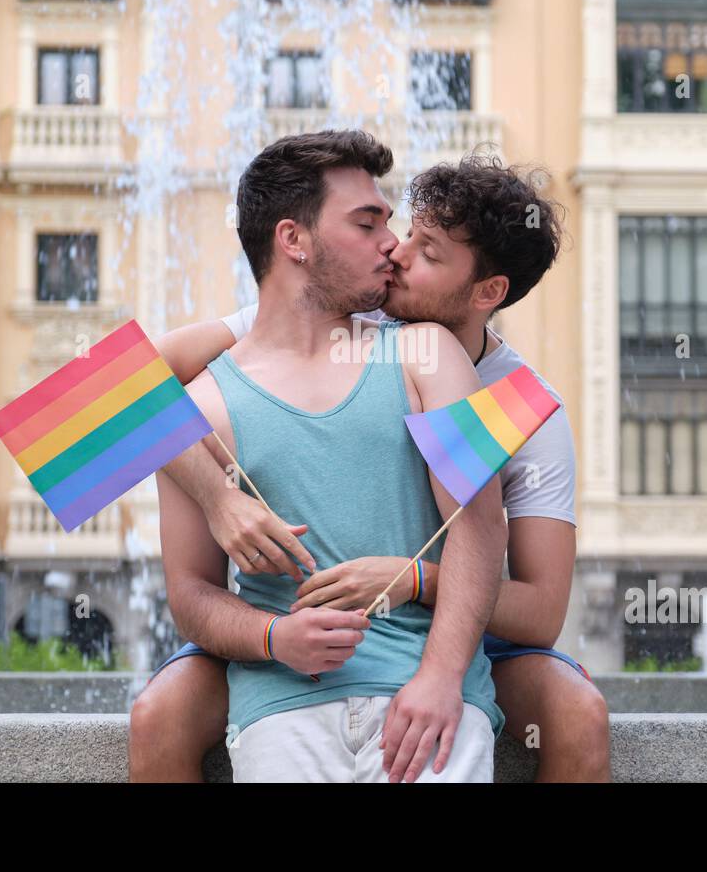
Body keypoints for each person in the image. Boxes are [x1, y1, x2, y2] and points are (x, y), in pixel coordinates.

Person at [131, 148, 611, 782]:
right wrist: (219, 500)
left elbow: (542, 614)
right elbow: (111, 397)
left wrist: (415, 583)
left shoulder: (520, 402)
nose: (396, 253)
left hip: (466, 626)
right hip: (294, 653)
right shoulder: (338, 311)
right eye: (397, 231)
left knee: (579, 712)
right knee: (156, 714)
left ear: (488, 292)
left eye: (428, 252)